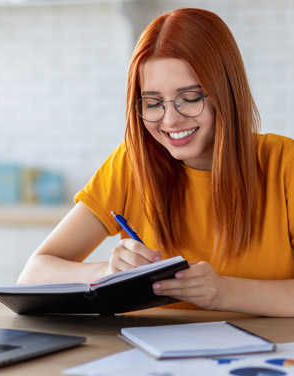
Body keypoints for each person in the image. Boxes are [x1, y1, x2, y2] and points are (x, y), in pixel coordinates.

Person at [17, 8, 294, 317]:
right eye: (152, 103)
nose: (171, 119)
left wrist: (223, 292)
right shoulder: (132, 163)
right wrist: (108, 272)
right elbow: (32, 275)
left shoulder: (285, 163)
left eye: (190, 98)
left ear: (225, 93)